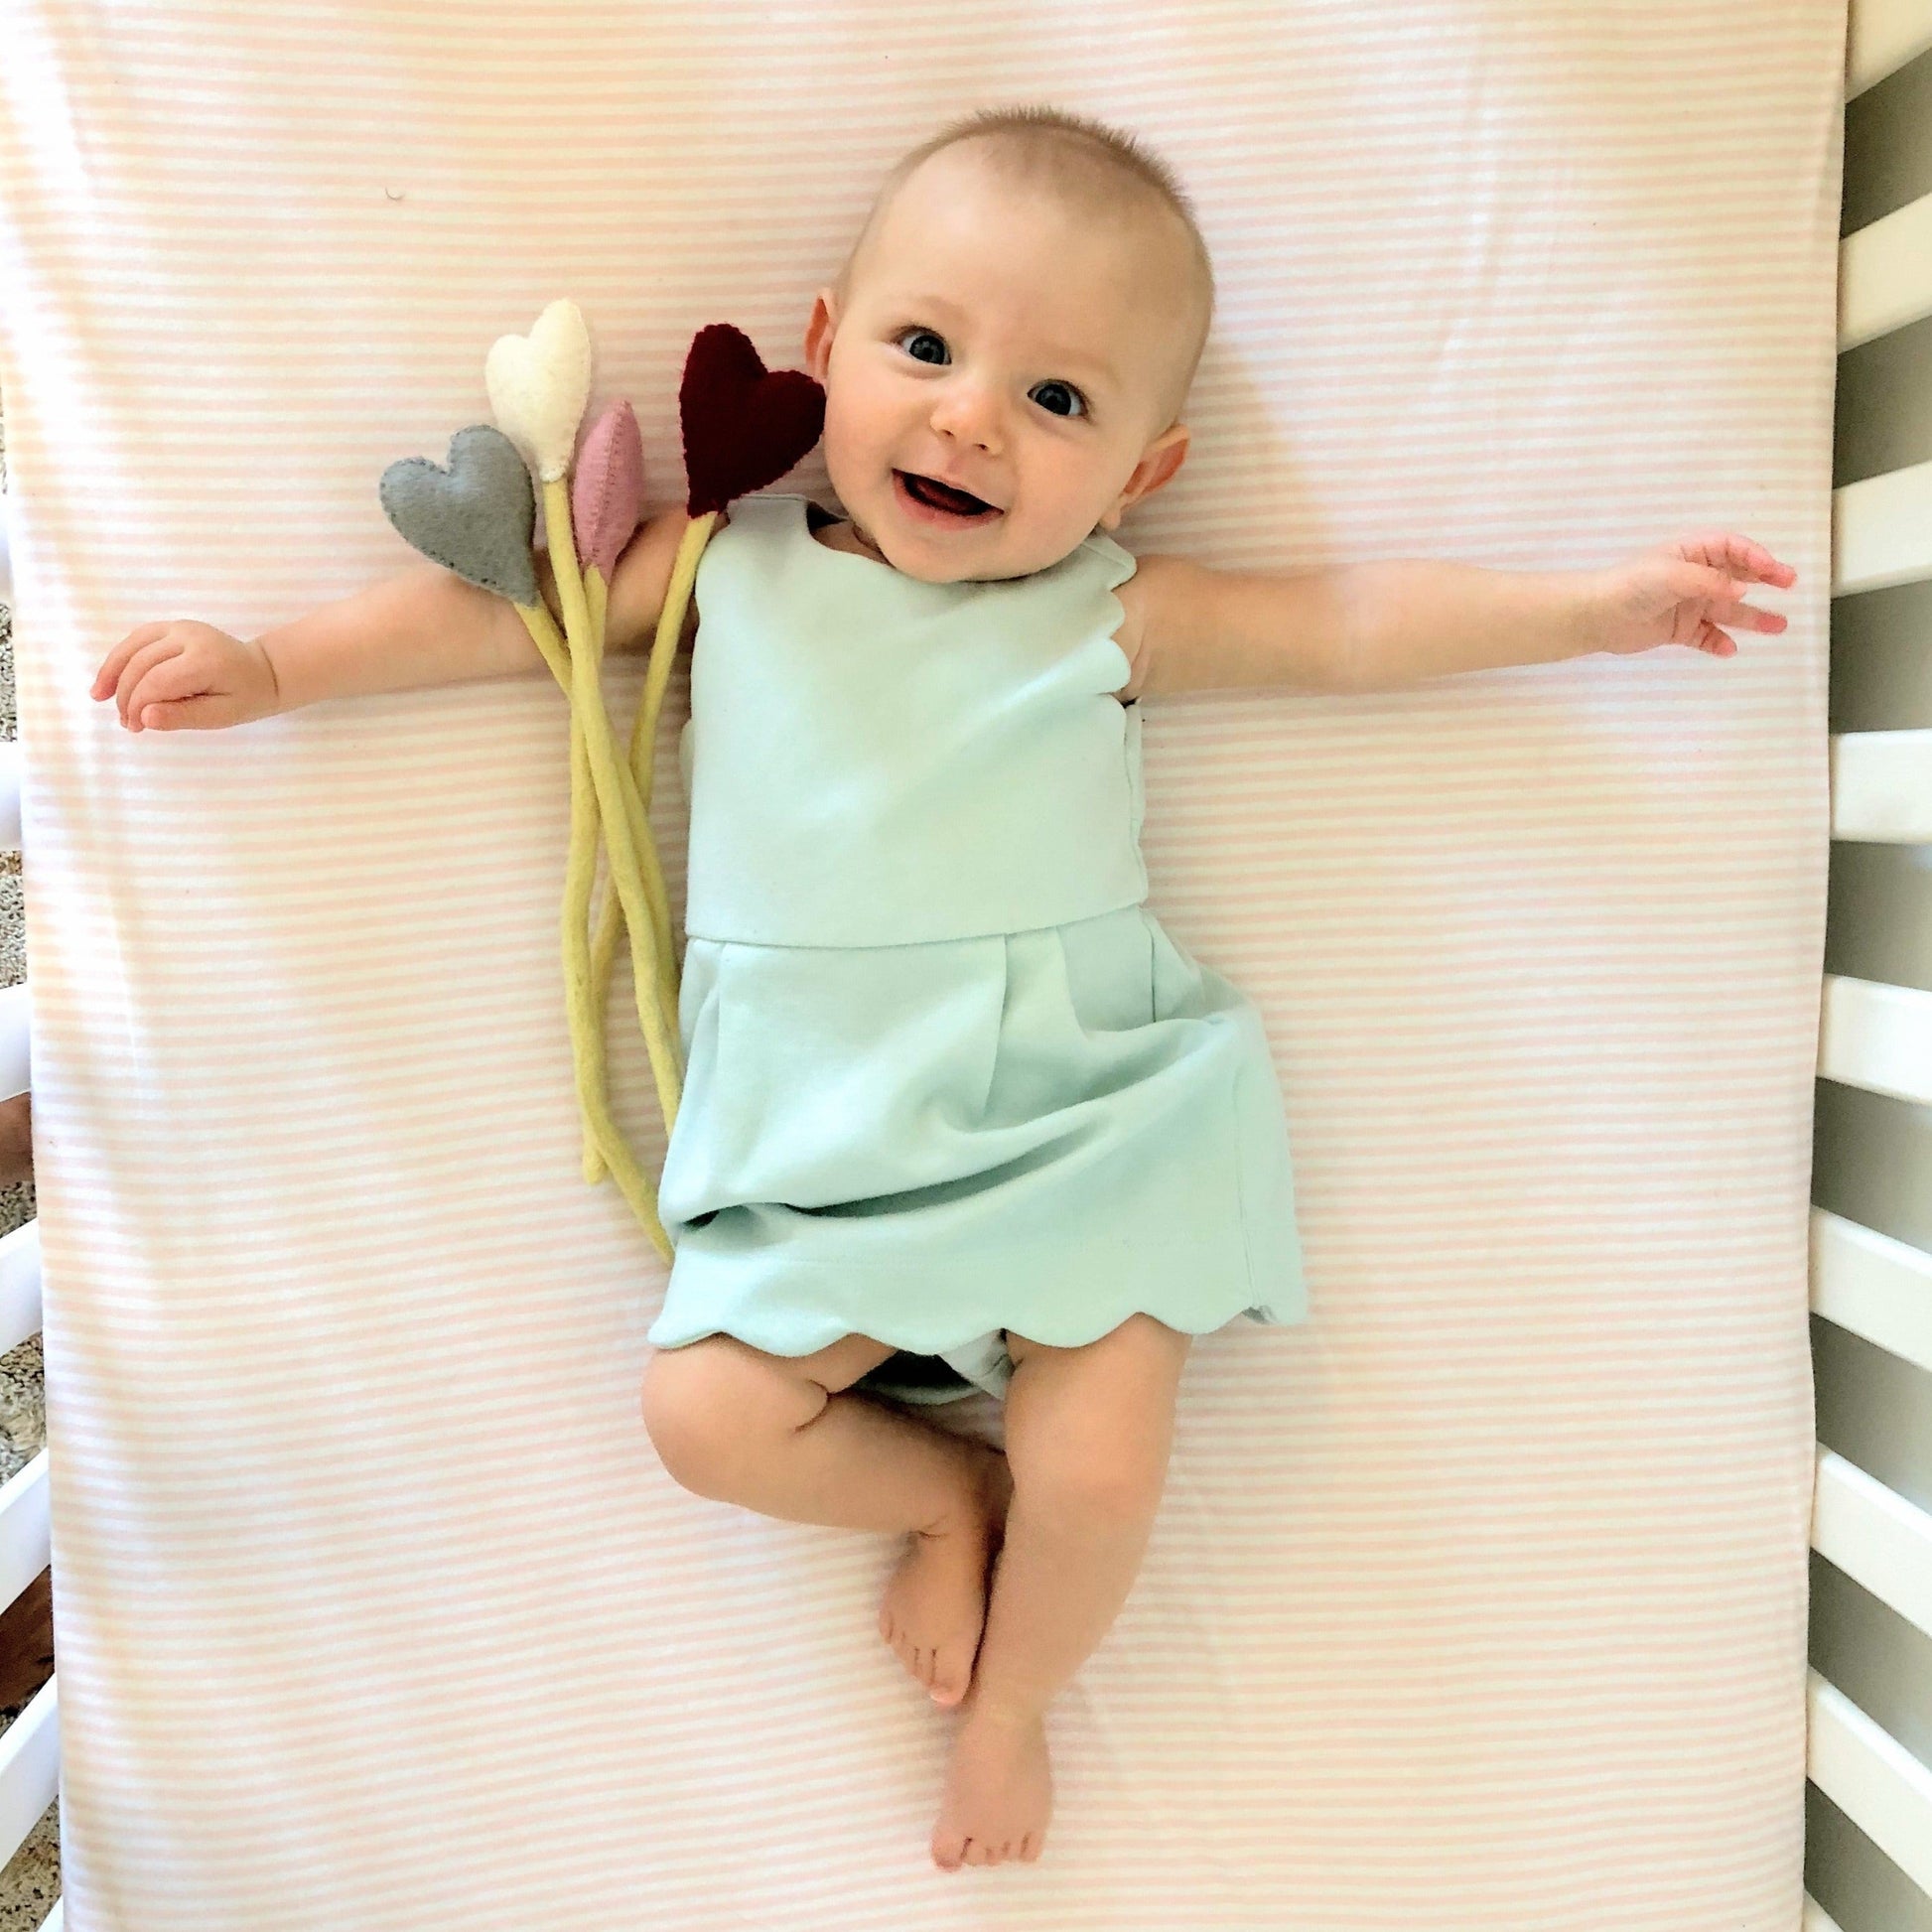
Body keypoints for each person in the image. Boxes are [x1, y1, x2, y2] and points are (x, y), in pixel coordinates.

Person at [89, 104, 1795, 1873]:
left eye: (1060, 401)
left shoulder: (1103, 610)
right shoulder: (724, 574)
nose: (974, 415)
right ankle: (944, 1491)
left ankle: (1010, 1704)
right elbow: (510, 616)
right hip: (826, 1146)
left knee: (1106, 1471)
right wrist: (277, 659)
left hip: (1080, 1118)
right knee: (704, 1414)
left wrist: (1588, 610)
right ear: (826, 350)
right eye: (925, 348)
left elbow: (1348, 622)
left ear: (1140, 473)